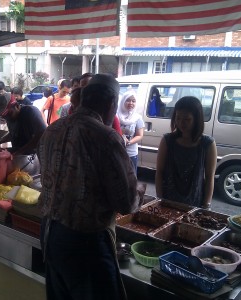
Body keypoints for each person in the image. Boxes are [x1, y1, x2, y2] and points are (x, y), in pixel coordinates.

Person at [38, 73, 146, 300]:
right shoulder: (106, 137)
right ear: (111, 104)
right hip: (86, 244)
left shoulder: (51, 131)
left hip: (50, 235)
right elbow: (125, 202)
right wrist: (140, 191)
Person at [155, 96, 217, 209]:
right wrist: (160, 199)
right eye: (178, 118)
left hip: (195, 204)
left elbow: (209, 177)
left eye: (187, 119)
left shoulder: (207, 144)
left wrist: (206, 205)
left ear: (197, 119)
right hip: (168, 202)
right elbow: (159, 172)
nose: (181, 123)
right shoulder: (167, 140)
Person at [117, 91, 144, 174]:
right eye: (128, 100)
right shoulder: (115, 116)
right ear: (122, 101)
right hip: (117, 151)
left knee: (131, 177)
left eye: (133, 101)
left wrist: (129, 142)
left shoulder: (137, 117)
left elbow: (140, 135)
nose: (131, 103)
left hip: (131, 153)